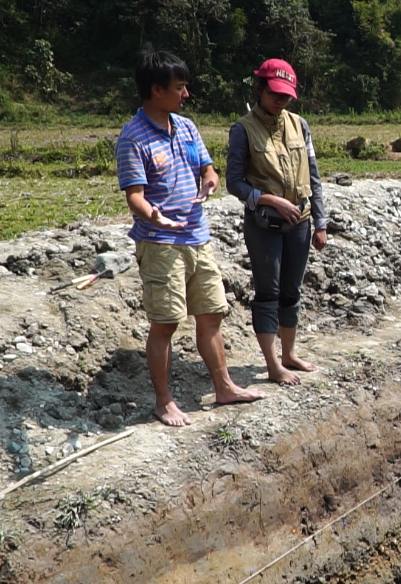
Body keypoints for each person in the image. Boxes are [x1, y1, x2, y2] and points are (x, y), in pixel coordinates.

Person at [116, 49, 264, 427]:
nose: (186, 94)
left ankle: (224, 385)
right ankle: (163, 401)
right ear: (156, 90)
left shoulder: (187, 127)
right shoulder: (133, 137)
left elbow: (207, 167)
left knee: (212, 313)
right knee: (165, 322)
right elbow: (134, 194)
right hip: (161, 243)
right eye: (180, 87)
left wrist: (210, 180)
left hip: (198, 236)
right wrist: (154, 216)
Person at [227, 59, 328, 386]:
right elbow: (234, 182)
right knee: (268, 292)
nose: (280, 101)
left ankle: (289, 354)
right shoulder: (242, 129)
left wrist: (321, 222)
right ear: (259, 88)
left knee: (291, 291)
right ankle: (272, 365)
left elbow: (313, 177)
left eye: (285, 96)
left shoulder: (300, 125)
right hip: (264, 225)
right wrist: (270, 200)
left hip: (300, 223)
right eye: (274, 94)